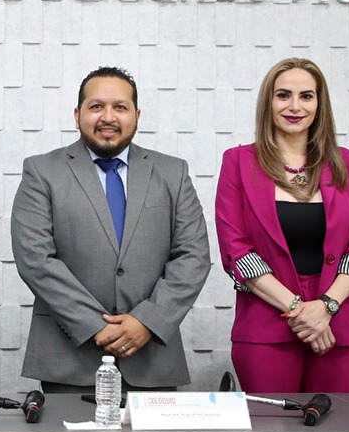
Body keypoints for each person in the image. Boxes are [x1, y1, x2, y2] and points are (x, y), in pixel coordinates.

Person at [13, 66, 210, 392]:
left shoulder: (173, 173)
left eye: (120, 107)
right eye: (96, 106)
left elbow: (193, 256)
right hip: (70, 360)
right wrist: (94, 325)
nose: (108, 117)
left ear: (137, 115)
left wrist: (147, 321)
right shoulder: (41, 171)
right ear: (77, 115)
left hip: (152, 358)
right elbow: (35, 259)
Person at [215, 58, 349, 394]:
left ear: (319, 105)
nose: (295, 106)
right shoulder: (238, 162)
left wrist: (326, 307)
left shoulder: (344, 162)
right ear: (268, 102)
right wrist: (300, 311)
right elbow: (236, 250)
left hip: (339, 328)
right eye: (283, 95)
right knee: (273, 426)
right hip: (265, 328)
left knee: (337, 425)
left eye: (306, 96)